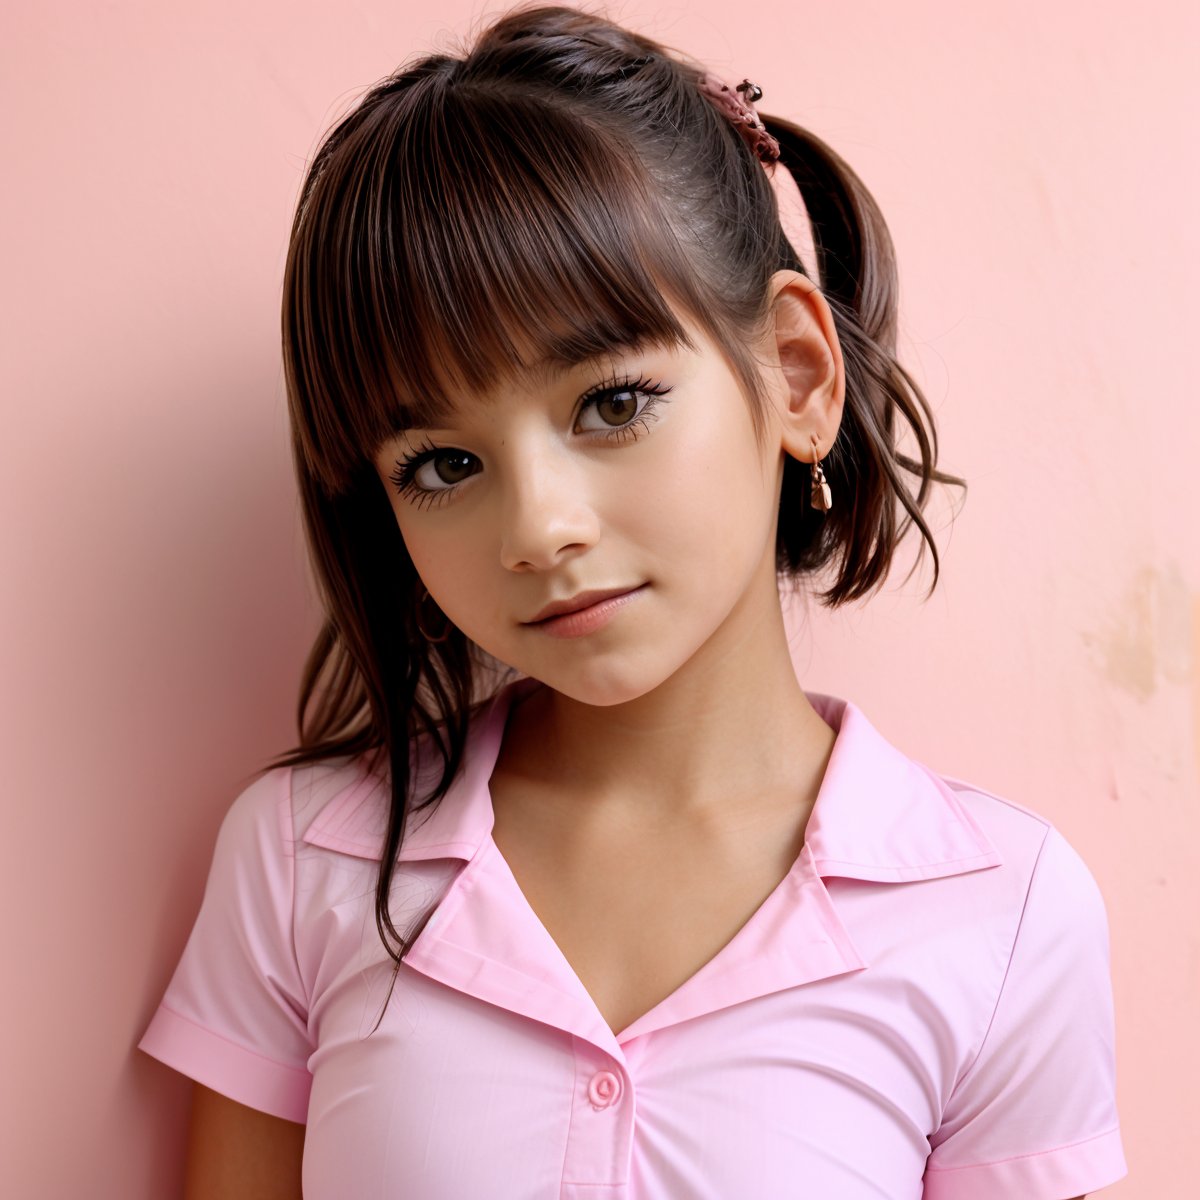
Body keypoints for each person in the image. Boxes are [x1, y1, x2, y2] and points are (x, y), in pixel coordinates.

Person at [137, 4, 1128, 1197]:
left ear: (796, 375)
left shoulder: (1001, 914)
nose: (538, 528)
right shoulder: (302, 866)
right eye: (443, 465)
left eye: (611, 405)